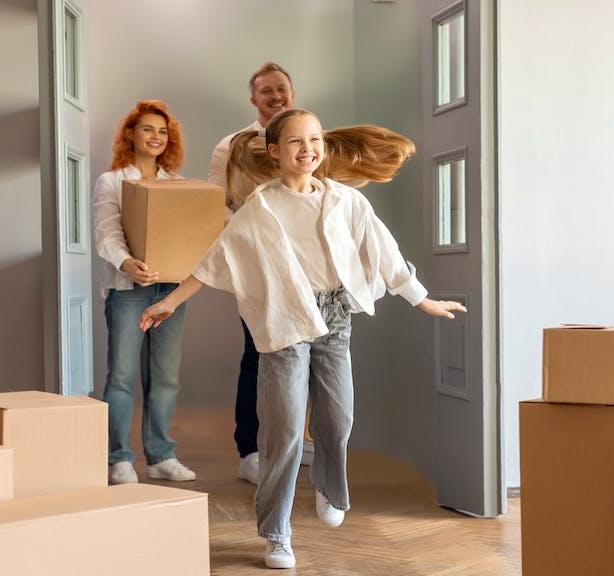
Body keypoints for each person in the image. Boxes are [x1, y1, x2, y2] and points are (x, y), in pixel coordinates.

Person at [141, 109, 467, 569]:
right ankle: (277, 533)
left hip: (334, 318)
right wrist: (170, 302)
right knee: (285, 430)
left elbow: (385, 252)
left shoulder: (346, 200)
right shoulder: (262, 205)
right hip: (285, 322)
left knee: (338, 418)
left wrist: (423, 299)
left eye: (314, 139)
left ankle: (331, 490)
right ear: (274, 152)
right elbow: (219, 258)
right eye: (295, 142)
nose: (307, 149)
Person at [93, 99, 197, 485]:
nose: (156, 136)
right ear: (131, 135)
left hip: (171, 290)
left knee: (165, 377)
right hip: (128, 290)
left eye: (162, 131)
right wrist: (127, 265)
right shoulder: (112, 181)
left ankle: (160, 457)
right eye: (147, 129)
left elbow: (188, 233)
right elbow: (107, 233)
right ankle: (119, 458)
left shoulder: (179, 186)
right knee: (121, 376)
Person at [208, 62, 300, 486]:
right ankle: (250, 450)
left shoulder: (306, 138)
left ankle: (293, 443)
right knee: (257, 357)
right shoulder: (232, 146)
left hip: (305, 268)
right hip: (257, 267)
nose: (276, 96)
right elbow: (216, 205)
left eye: (282, 89)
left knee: (305, 359)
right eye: (267, 91)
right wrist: (250, 239)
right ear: (254, 99)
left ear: (292, 93)